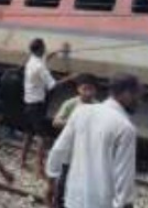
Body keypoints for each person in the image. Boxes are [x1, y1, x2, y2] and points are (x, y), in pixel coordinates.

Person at [46, 74, 142, 208]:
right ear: (126, 93)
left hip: (73, 200)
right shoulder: (125, 128)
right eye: (137, 96)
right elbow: (124, 178)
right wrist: (124, 204)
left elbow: (58, 150)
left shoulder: (81, 112)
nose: (139, 101)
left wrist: (51, 183)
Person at [21, 38, 74, 172]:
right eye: (44, 47)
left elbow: (44, 59)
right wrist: (71, 78)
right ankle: (39, 166)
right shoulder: (40, 67)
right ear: (40, 49)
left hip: (28, 103)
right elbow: (53, 85)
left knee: (29, 133)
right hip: (37, 105)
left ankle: (22, 161)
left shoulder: (32, 61)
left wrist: (55, 53)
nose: (45, 49)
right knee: (43, 138)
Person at [50, 73, 99, 208]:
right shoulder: (71, 104)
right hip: (70, 151)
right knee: (64, 179)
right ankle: (58, 203)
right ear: (78, 89)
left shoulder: (98, 107)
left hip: (88, 152)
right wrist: (74, 122)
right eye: (85, 88)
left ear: (95, 90)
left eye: (91, 89)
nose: (88, 92)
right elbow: (56, 121)